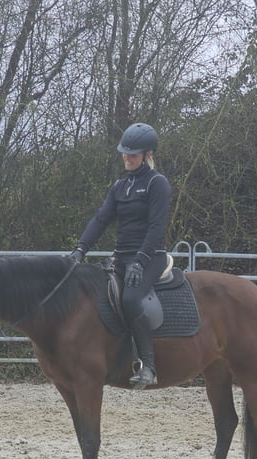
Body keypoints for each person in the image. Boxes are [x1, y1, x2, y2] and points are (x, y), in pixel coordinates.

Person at [69, 122, 173, 389]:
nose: (127, 158)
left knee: (130, 298)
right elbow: (101, 219)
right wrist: (80, 249)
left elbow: (157, 227)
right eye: (124, 153)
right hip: (121, 257)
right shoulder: (120, 186)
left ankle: (148, 366)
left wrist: (141, 259)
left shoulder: (157, 183)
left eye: (133, 154)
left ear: (147, 154)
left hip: (150, 257)